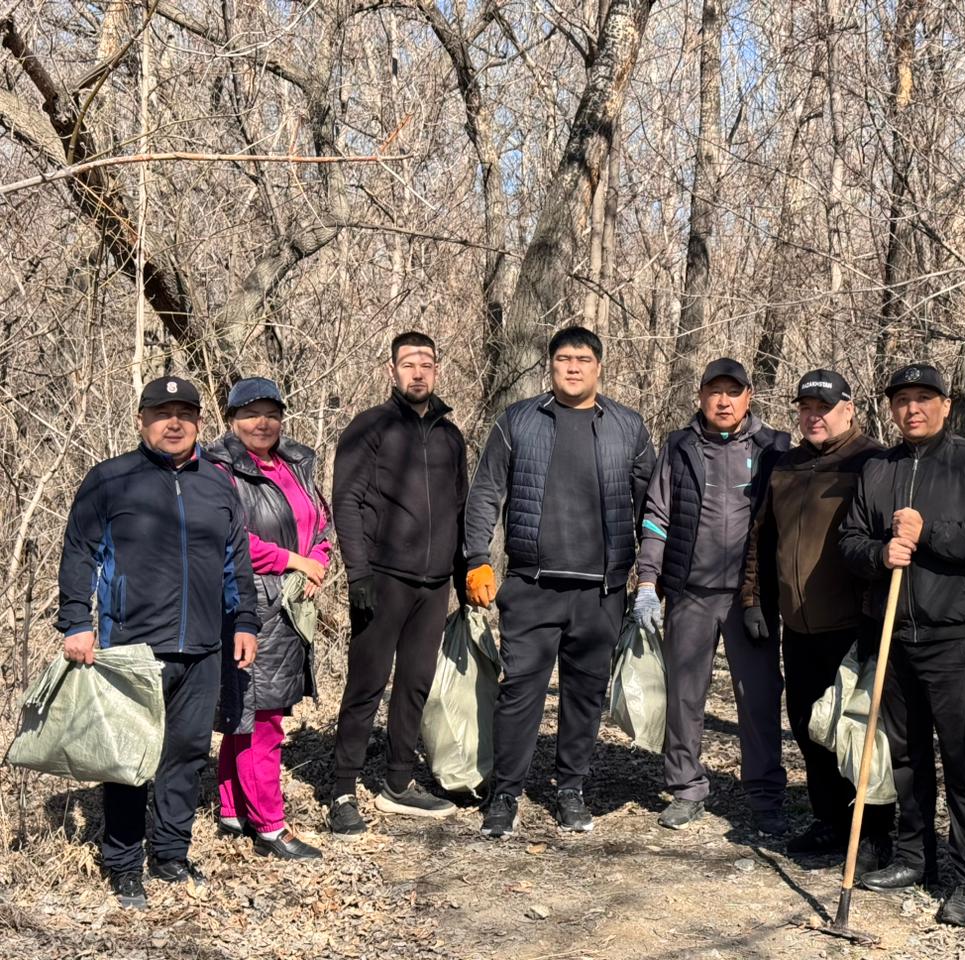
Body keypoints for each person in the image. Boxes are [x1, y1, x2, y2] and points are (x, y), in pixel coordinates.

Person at [57, 376, 260, 909]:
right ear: (141, 420)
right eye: (162, 412)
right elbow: (79, 552)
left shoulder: (218, 483)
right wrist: (76, 622)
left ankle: (170, 853)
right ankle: (123, 863)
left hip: (203, 647)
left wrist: (244, 623)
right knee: (129, 760)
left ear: (199, 422)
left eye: (185, 413)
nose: (175, 423)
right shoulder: (110, 480)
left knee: (186, 754)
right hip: (131, 648)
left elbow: (236, 559)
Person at [839, 362, 965, 926]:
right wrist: (878, 554)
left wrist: (927, 535)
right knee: (906, 755)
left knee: (962, 761)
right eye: (902, 400)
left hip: (952, 638)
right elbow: (850, 540)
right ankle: (913, 857)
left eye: (923, 398)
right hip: (892, 635)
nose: (912, 409)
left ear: (945, 403)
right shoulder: (877, 468)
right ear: (891, 408)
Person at [465, 325, 655, 839]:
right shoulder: (519, 421)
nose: (573, 367)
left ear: (599, 367)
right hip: (531, 584)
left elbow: (651, 509)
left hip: (601, 590)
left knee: (584, 695)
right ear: (550, 365)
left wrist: (652, 577)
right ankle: (506, 794)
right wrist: (477, 558)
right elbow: (486, 494)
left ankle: (570, 788)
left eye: (583, 359)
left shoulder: (627, 427)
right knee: (521, 691)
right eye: (564, 359)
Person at [739, 369, 894, 862]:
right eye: (806, 408)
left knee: (856, 731)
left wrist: (875, 615)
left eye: (823, 408)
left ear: (848, 409)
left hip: (851, 625)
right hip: (798, 625)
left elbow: (881, 545)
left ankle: (871, 832)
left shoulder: (873, 461)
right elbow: (760, 541)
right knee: (810, 727)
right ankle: (830, 820)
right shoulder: (785, 465)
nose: (813, 417)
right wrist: (754, 601)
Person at [633, 358, 790, 833]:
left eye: (733, 391)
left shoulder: (774, 448)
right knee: (685, 696)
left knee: (759, 697)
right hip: (690, 592)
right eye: (714, 391)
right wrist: (646, 582)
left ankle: (764, 797)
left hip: (751, 598)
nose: (723, 400)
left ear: (749, 395)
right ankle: (686, 789)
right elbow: (657, 515)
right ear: (700, 395)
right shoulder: (680, 446)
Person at [328, 332, 469, 836]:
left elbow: (460, 508)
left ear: (436, 371)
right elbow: (345, 501)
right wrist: (358, 573)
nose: (417, 372)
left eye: (426, 363)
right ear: (392, 371)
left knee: (415, 684)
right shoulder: (372, 427)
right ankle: (344, 788)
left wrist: (465, 573)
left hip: (433, 587)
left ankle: (398, 782)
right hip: (382, 579)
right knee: (366, 684)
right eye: (408, 363)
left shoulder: (452, 437)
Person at [206, 377, 330, 861]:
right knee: (262, 717)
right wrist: (294, 561)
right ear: (232, 420)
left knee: (249, 710)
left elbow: (321, 520)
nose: (263, 423)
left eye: (271, 413)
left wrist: (317, 555)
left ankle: (233, 808)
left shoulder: (295, 463)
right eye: (251, 413)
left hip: (290, 604)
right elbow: (228, 539)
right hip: (249, 604)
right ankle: (270, 825)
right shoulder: (219, 468)